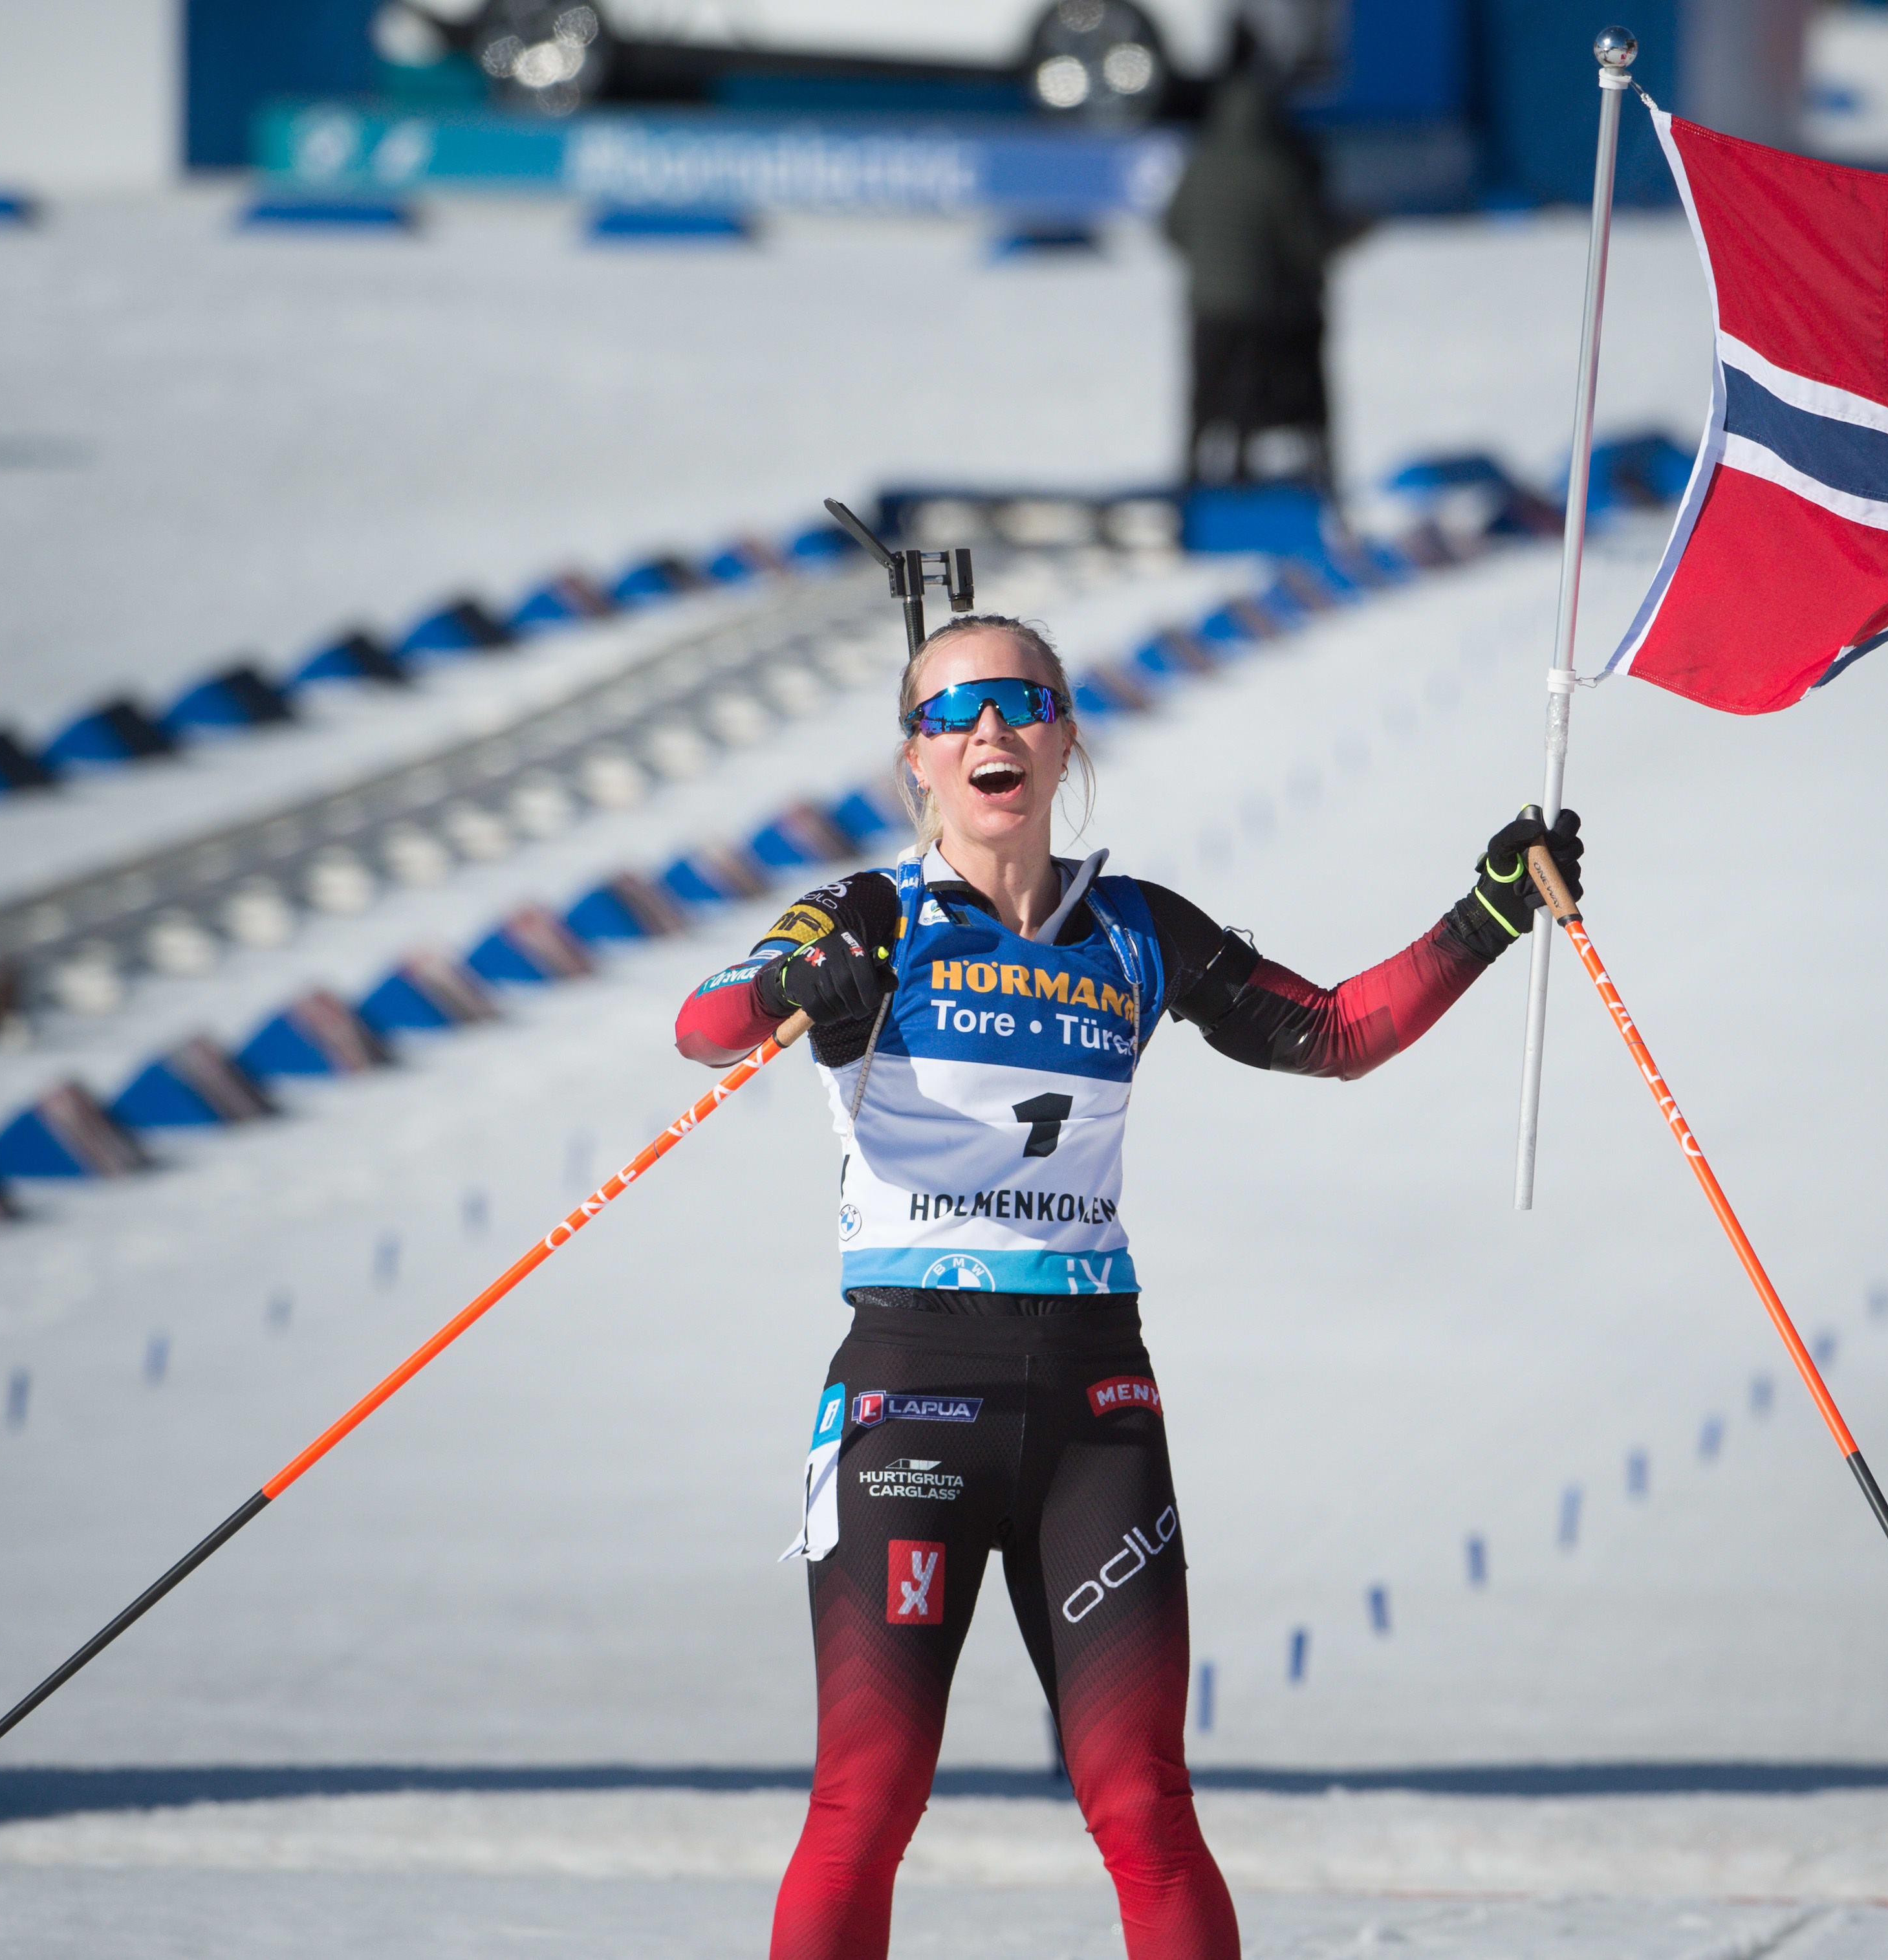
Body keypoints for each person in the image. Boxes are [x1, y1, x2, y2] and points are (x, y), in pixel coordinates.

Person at [674, 613, 1582, 1959]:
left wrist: (1490, 913)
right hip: (910, 1396)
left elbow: (1334, 1034)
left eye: (1020, 702)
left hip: (1093, 1407)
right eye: (951, 712)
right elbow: (704, 1025)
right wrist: (795, 983)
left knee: (1143, 1806)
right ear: (915, 759)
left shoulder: (1137, 930)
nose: (989, 728)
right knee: (867, 1799)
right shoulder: (870, 912)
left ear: (1064, 740)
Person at [1160, 38, 1347, 491]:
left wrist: (1206, 264)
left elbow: (1173, 226)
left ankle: (1193, 475)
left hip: (1208, 304)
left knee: (1205, 397)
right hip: (1263, 306)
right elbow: (1303, 243)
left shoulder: (1201, 162)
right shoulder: (1278, 166)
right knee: (1254, 396)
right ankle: (1257, 479)